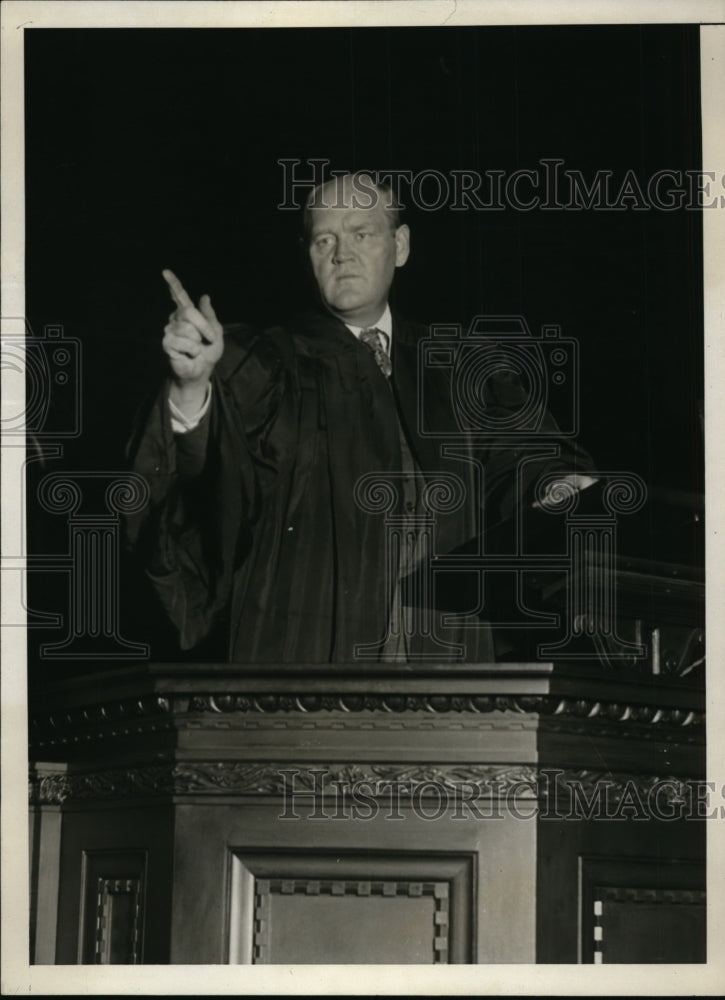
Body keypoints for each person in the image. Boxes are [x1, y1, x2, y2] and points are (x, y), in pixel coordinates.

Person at [125, 172, 596, 664]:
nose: (341, 254)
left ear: (400, 245)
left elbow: (520, 454)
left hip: (448, 659)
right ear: (308, 256)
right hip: (305, 658)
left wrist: (555, 482)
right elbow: (207, 477)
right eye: (324, 239)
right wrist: (191, 388)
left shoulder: (458, 366)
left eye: (361, 233)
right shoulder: (267, 363)